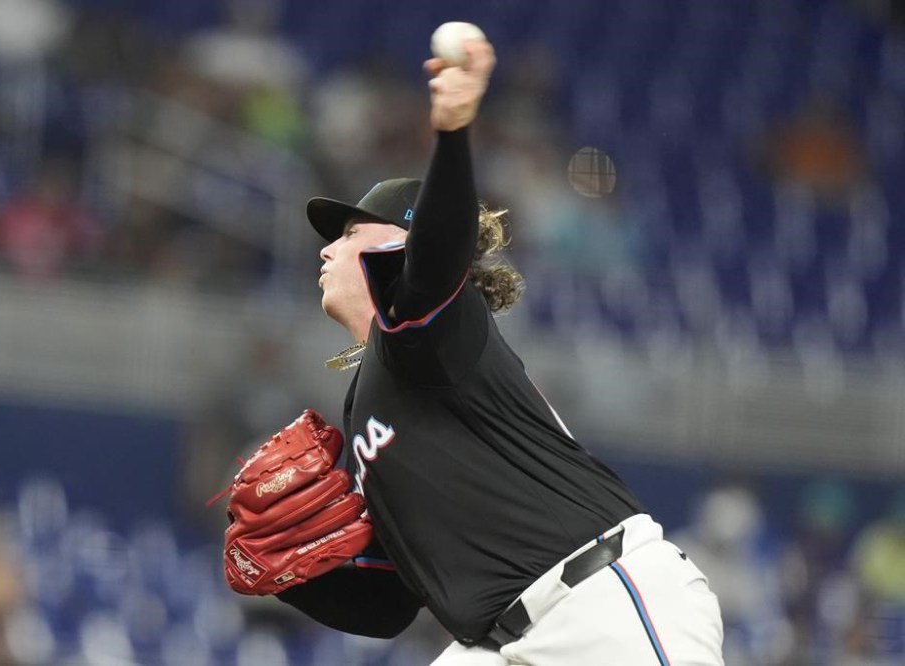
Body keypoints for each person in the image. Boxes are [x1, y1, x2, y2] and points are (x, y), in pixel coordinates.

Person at [274, 37, 724, 665]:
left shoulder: (428, 328)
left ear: (401, 245)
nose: (328, 249)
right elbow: (392, 605)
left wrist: (452, 135)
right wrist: (293, 575)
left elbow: (439, 251)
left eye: (350, 233)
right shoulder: (373, 394)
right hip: (496, 642)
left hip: (596, 606)